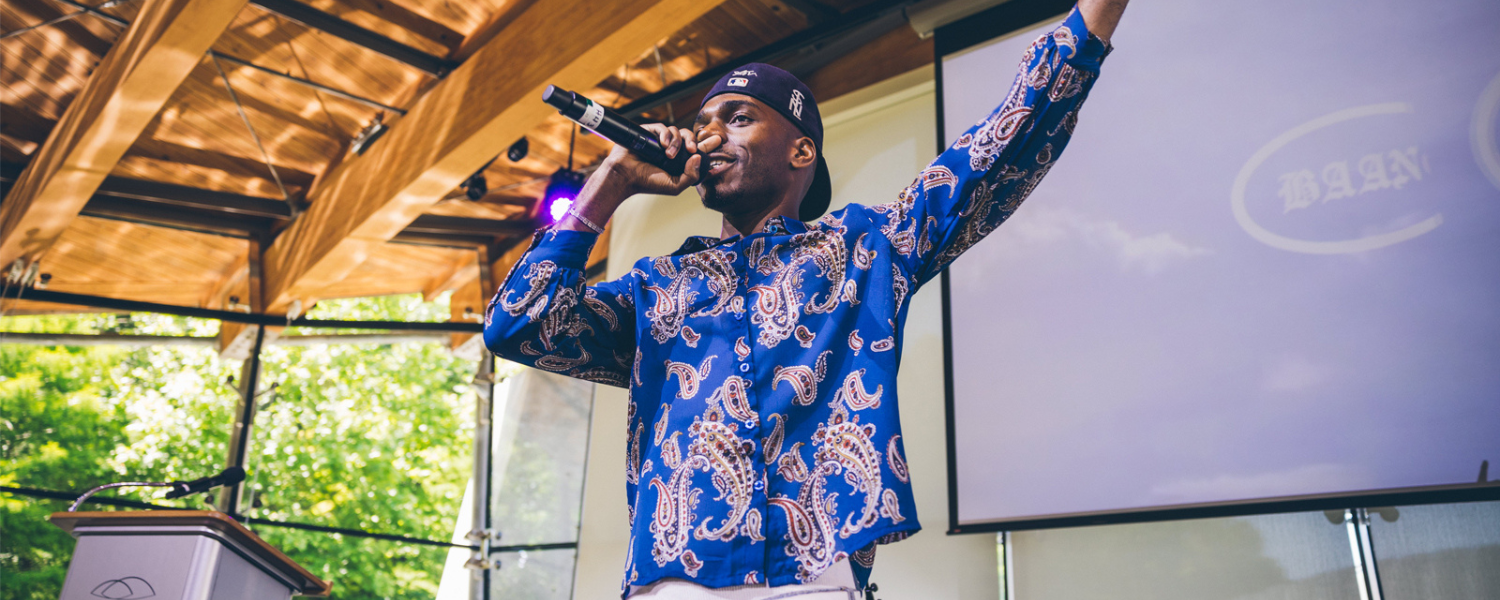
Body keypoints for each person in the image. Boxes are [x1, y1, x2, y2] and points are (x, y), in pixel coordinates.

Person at [484, 1, 1129, 596]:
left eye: (738, 119)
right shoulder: (654, 289)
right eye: (703, 123)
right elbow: (517, 325)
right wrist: (613, 179)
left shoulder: (866, 248)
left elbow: (999, 147)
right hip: (675, 580)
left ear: (802, 150)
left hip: (816, 574)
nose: (710, 136)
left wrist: (1093, 23)